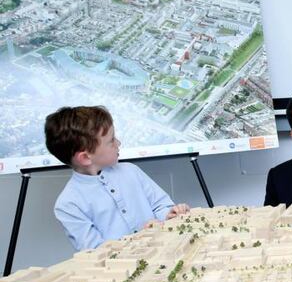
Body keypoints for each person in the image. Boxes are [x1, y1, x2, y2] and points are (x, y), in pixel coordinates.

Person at [45, 106, 190, 251]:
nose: (118, 143)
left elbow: (160, 205)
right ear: (85, 157)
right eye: (111, 141)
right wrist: (140, 239)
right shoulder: (68, 204)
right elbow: (95, 251)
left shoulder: (130, 171)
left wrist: (169, 214)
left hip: (165, 251)